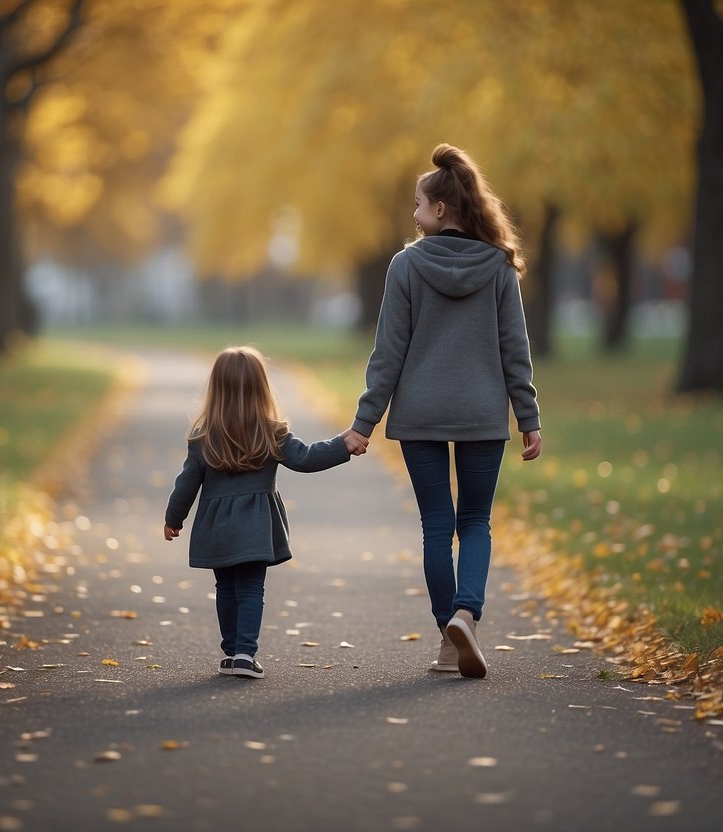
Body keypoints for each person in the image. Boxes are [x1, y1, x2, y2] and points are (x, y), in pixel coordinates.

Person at [346, 143, 542, 679]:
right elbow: (514, 348)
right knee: (475, 522)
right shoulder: (500, 265)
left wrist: (364, 423)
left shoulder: (406, 266)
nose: (412, 215)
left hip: (421, 415)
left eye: (417, 205)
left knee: (437, 525)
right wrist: (528, 418)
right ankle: (465, 616)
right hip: (482, 413)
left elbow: (388, 353)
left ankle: (448, 637)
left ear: (440, 210)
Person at [165, 346, 367, 679]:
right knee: (250, 589)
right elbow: (307, 458)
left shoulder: (202, 437)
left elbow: (186, 484)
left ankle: (231, 653)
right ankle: (245, 653)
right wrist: (342, 444)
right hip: (256, 527)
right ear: (262, 388)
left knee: (226, 589)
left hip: (216, 528)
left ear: (216, 390)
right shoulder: (271, 432)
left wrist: (174, 519)